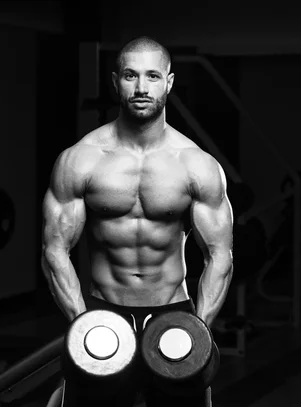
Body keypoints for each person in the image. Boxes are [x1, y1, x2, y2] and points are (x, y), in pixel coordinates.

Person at [41, 36, 234, 407]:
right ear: (115, 82)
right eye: (130, 75)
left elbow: (220, 255)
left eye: (152, 76)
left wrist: (200, 328)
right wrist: (83, 323)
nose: (141, 87)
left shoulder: (196, 164)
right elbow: (54, 250)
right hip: (103, 312)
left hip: (174, 314)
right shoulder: (81, 160)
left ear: (169, 82)